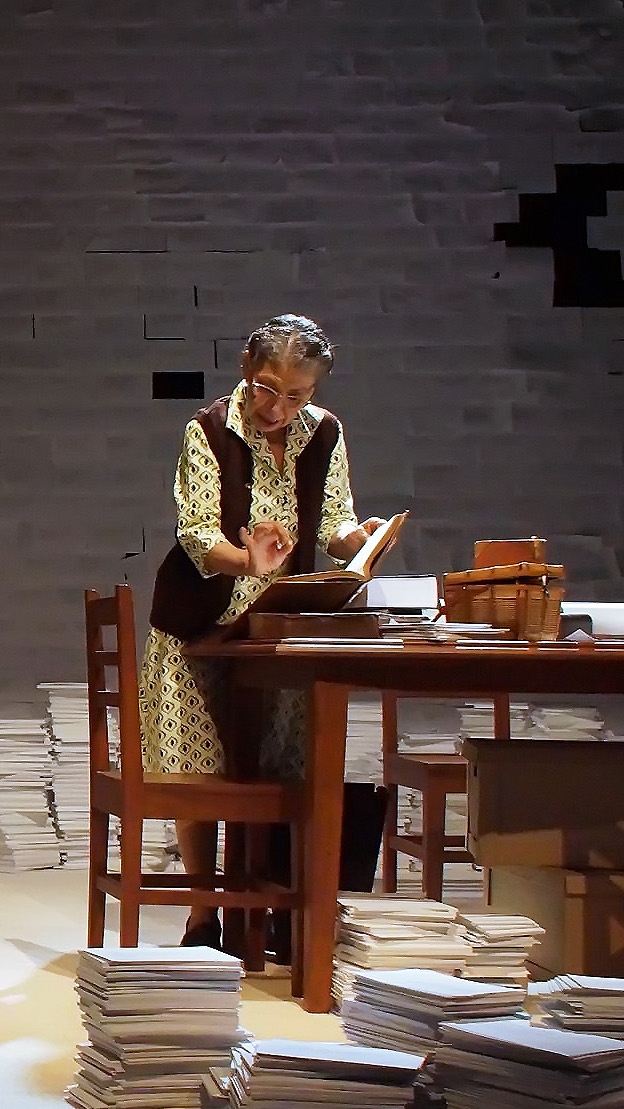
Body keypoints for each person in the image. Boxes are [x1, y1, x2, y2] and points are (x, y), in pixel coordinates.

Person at [139, 315, 391, 948]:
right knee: (198, 772)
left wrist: (359, 540)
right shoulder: (208, 430)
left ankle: (279, 910)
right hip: (199, 627)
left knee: (285, 764)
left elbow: (333, 523)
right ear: (246, 369)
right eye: (267, 388)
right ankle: (204, 914)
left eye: (296, 396)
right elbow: (198, 536)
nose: (278, 408)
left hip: (276, 633)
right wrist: (247, 559)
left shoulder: (324, 432)